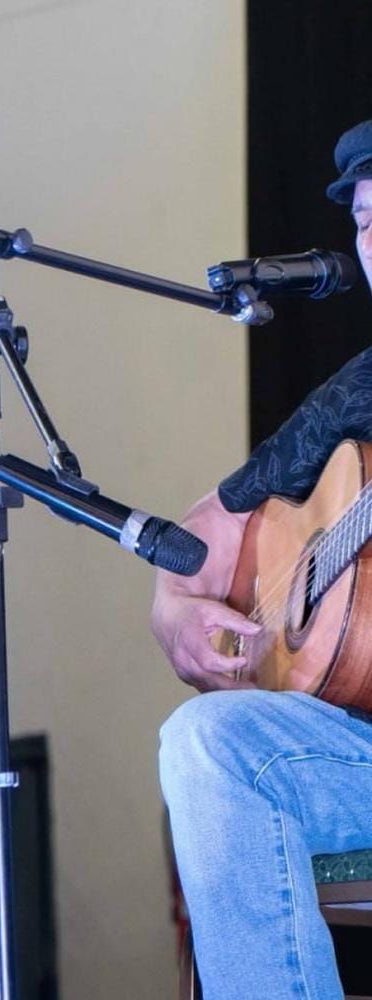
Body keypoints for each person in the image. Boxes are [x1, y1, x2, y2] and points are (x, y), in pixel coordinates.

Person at [153, 119, 372, 999]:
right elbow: (207, 533)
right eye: (365, 218)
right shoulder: (355, 392)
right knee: (206, 742)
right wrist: (177, 611)